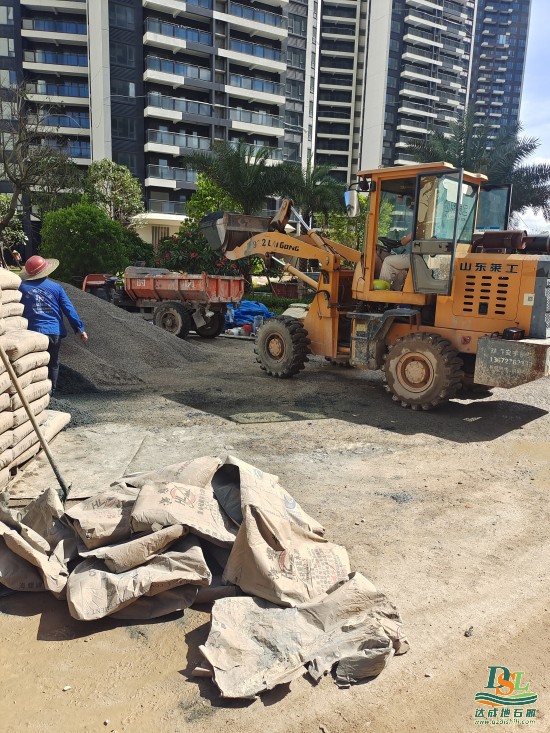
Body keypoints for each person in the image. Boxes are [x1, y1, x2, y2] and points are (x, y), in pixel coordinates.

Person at [19, 255, 88, 394]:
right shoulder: (56, 288)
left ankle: (34, 393)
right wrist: (80, 329)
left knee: (34, 363)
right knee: (53, 363)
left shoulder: (22, 288)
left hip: (33, 332)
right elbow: (69, 309)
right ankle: (51, 392)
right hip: (53, 331)